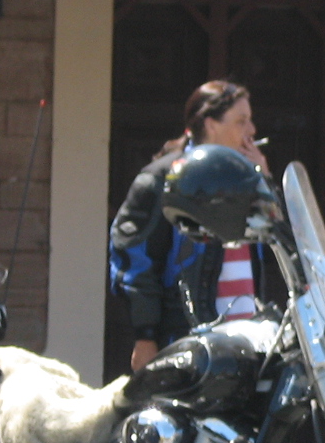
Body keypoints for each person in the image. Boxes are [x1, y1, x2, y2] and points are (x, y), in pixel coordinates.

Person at [109, 81, 271, 371]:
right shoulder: (163, 178)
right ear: (211, 124)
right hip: (187, 342)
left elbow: (279, 239)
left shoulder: (248, 178)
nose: (252, 130)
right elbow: (134, 261)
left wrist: (265, 182)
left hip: (248, 343)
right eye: (241, 121)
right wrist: (145, 336)